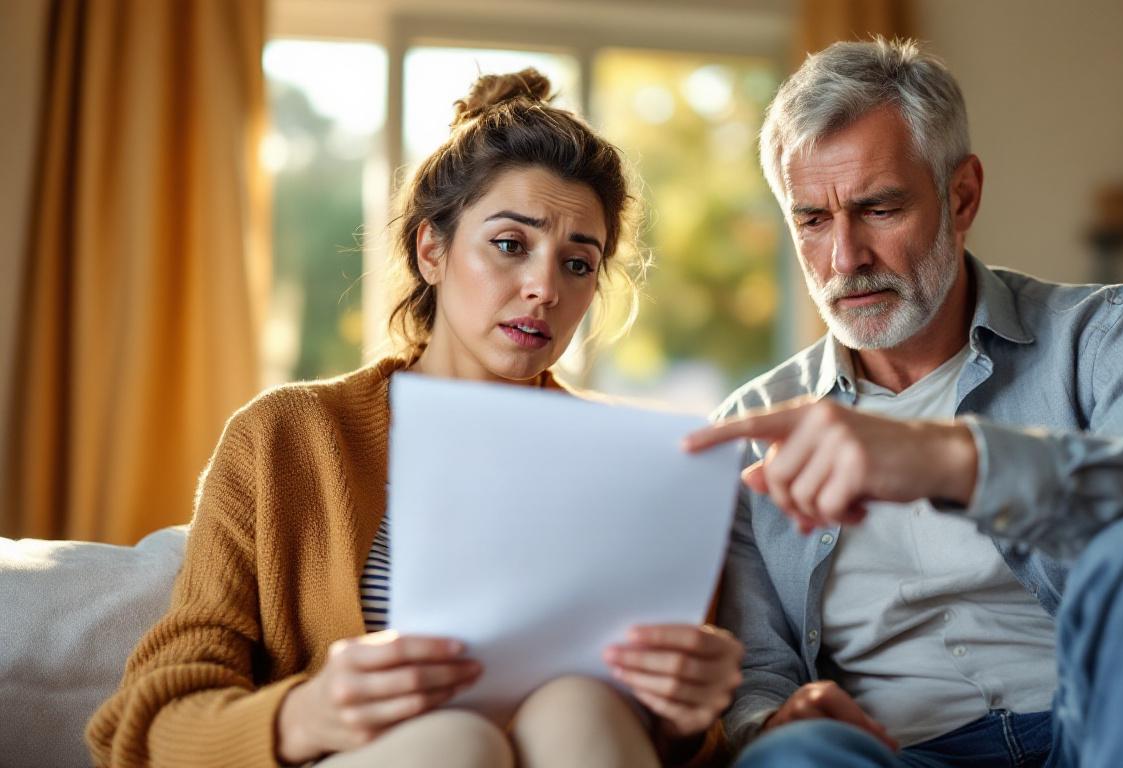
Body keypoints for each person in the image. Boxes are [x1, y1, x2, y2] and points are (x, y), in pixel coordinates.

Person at [685, 38, 1123, 767]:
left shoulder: (1111, 335)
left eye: (880, 207)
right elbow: (753, 675)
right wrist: (773, 719)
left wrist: (962, 460)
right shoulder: (751, 433)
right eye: (813, 221)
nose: (845, 259)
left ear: (962, 196)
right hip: (901, 753)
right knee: (794, 759)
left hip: (1119, 725)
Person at [87, 69, 741, 768]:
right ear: (432, 250)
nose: (544, 289)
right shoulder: (284, 437)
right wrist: (307, 714)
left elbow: (688, 737)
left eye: (578, 264)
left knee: (579, 709)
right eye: (511, 245)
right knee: (454, 742)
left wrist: (683, 718)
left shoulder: (636, 465)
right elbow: (148, 723)